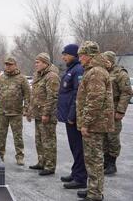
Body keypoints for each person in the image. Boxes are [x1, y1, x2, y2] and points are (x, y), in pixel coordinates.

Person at [76, 41, 114, 201]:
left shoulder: (96, 72)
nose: (80, 59)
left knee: (94, 159)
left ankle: (95, 193)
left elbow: (95, 100)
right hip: (94, 123)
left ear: (90, 55)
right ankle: (93, 188)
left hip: (94, 124)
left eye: (81, 55)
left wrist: (86, 123)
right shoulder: (93, 71)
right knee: (91, 159)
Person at [0, 57, 31, 165]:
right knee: (1, 136)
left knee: (18, 136)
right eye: (6, 65)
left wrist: (26, 108)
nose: (8, 66)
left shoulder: (22, 78)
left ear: (15, 65)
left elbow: (27, 94)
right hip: (2, 113)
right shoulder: (1, 78)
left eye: (10, 64)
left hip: (16, 112)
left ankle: (20, 156)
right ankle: (0, 155)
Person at [57, 44, 87, 189]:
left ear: (74, 55)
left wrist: (72, 115)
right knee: (74, 147)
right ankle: (76, 173)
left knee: (78, 148)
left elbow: (77, 95)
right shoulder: (72, 69)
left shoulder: (78, 69)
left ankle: (81, 178)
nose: (63, 57)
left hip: (73, 117)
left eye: (66, 54)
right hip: (69, 116)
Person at [28, 52, 60, 176]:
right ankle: (42, 162)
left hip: (47, 115)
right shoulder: (38, 75)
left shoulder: (51, 76)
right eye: (35, 62)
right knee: (39, 140)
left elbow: (52, 97)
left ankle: (50, 166)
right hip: (38, 114)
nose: (36, 65)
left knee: (48, 141)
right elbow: (34, 95)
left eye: (38, 62)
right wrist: (30, 111)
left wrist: (46, 113)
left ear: (45, 63)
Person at [102, 51, 133, 175]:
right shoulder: (102, 72)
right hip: (103, 110)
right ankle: (105, 161)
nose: (105, 63)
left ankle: (112, 164)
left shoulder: (121, 74)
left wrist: (120, 110)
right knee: (104, 137)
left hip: (114, 108)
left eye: (107, 61)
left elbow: (126, 93)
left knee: (113, 137)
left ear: (112, 61)